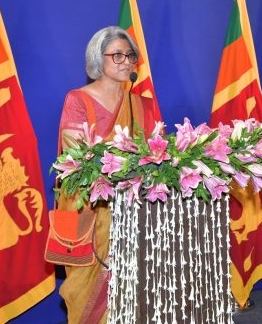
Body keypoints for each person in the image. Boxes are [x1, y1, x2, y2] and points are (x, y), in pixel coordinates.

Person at [57, 26, 156, 323]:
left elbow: (156, 153)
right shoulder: (78, 100)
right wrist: (117, 156)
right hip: (87, 208)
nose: (126, 62)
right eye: (117, 55)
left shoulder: (142, 105)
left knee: (133, 289)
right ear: (98, 59)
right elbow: (75, 157)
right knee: (84, 292)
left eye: (130, 56)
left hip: (133, 210)